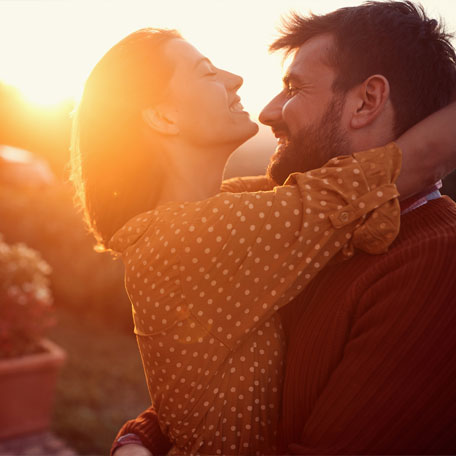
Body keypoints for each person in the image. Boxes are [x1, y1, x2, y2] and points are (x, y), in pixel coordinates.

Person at [111, 2, 456, 455]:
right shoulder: (278, 216)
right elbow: (221, 371)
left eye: (293, 88)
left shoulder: (433, 259)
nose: (268, 111)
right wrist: (142, 438)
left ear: (367, 101)